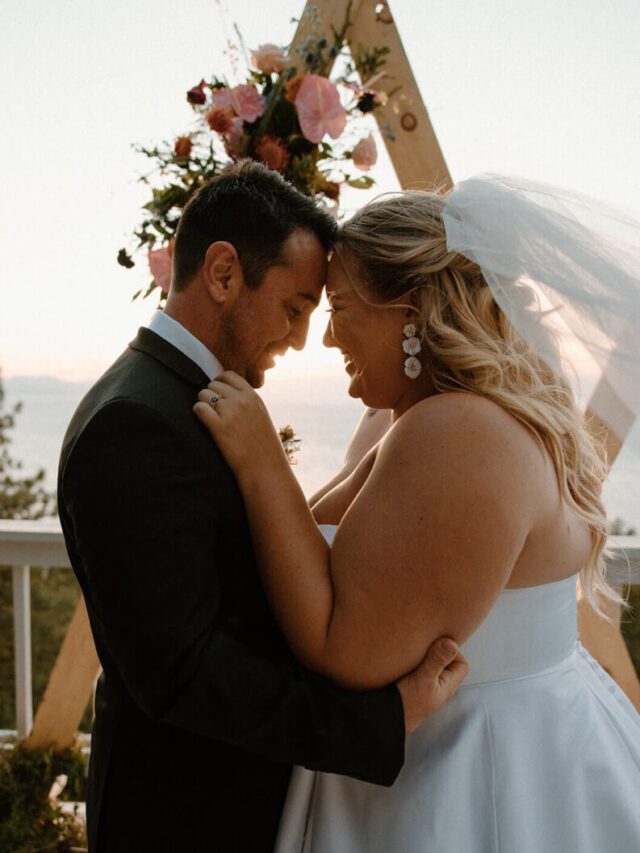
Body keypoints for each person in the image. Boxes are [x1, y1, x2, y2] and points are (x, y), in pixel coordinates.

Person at [195, 176, 640, 852]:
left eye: (341, 306)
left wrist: (263, 465)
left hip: (469, 778)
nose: (326, 335)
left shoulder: (461, 432)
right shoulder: (415, 418)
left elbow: (347, 650)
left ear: (409, 309)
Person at [57, 161, 468, 853]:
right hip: (183, 817)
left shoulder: (184, 396)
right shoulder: (136, 422)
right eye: (296, 307)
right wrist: (376, 721)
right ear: (223, 274)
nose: (303, 338)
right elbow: (183, 671)